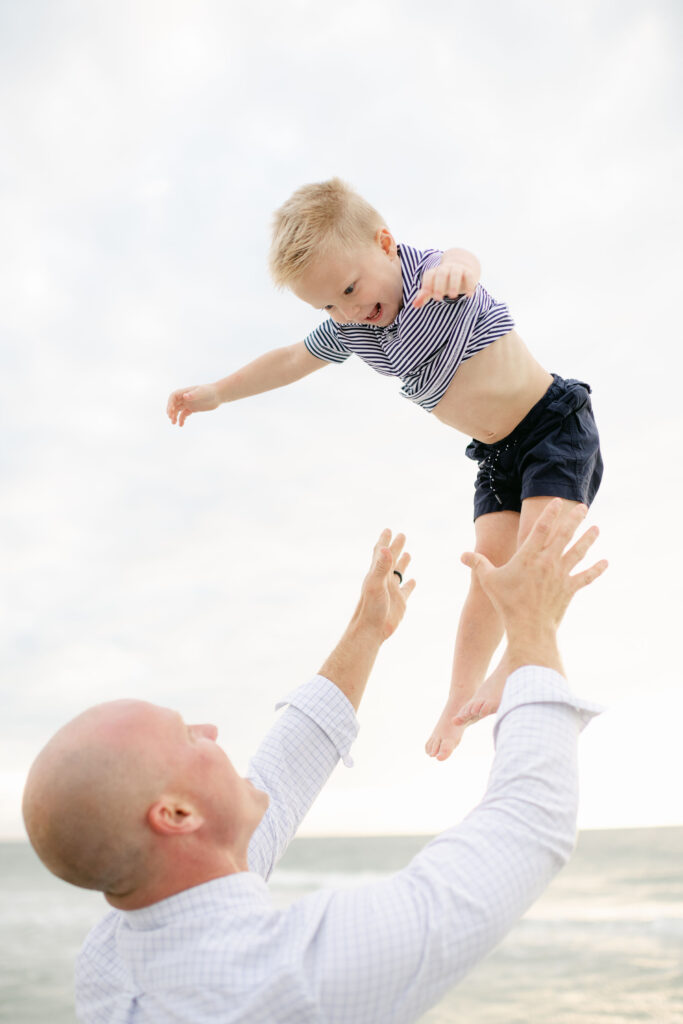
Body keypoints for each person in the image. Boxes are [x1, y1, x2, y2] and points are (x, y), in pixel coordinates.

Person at [23, 501, 606, 1024]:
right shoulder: (296, 978)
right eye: (187, 738)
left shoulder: (111, 959)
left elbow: (280, 775)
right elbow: (528, 825)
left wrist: (367, 629)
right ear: (174, 815)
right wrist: (533, 625)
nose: (210, 730)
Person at [165, 177, 604, 762]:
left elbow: (463, 260)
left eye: (349, 288)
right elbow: (292, 359)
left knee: (534, 562)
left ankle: (515, 661)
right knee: (486, 575)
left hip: (552, 425)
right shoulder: (352, 326)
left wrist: (457, 273)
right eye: (328, 304)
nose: (347, 310)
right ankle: (459, 696)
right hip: (497, 456)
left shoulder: (434, 275)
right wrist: (218, 392)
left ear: (385, 243)